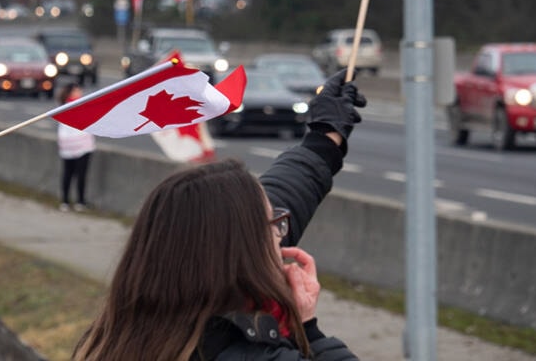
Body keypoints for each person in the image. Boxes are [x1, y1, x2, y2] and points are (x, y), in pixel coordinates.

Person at [73, 70, 365, 360]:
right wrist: (308, 328)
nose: (281, 234)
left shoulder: (132, 334)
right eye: (274, 225)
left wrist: (324, 140)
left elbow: (278, 196)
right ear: (239, 253)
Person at [56, 82, 96, 212]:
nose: (80, 92)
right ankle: (79, 201)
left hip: (67, 145)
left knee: (68, 174)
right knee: (79, 174)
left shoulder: (64, 107)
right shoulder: (79, 106)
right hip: (82, 144)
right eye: (77, 90)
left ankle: (66, 201)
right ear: (71, 92)